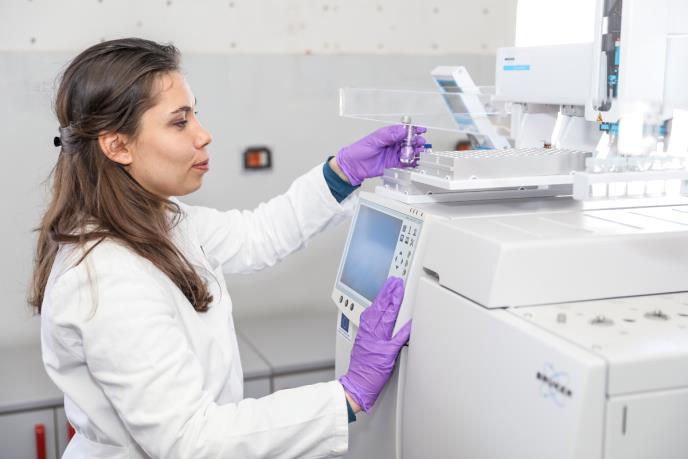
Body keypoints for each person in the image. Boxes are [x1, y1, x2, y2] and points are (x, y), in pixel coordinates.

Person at [28, 38, 426, 458]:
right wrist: (347, 395)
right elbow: (190, 440)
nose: (203, 135)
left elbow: (257, 235)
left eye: (195, 114)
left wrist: (340, 173)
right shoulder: (108, 277)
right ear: (117, 146)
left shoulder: (162, 221)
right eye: (179, 122)